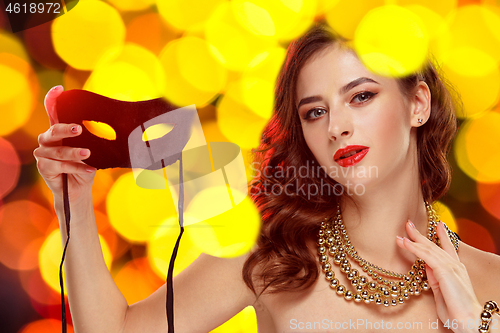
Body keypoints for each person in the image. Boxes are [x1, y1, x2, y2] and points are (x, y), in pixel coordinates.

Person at [35, 22, 500, 333]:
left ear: (417, 104)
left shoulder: (493, 285)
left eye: (360, 97)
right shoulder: (275, 255)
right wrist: (72, 201)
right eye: (315, 111)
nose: (336, 126)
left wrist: (477, 324)